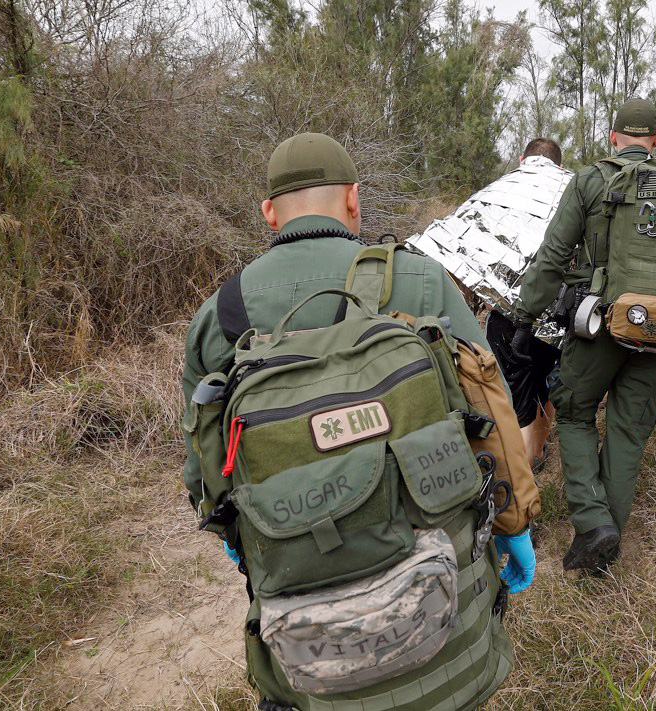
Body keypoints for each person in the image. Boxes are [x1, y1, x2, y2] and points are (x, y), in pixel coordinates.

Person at [181, 133, 535, 711]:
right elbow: (490, 412)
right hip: (437, 570)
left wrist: (239, 541)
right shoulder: (420, 280)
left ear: (270, 214)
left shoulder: (221, 315)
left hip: (299, 580)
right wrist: (515, 522)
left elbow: (203, 464)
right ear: (353, 201)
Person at [512, 99, 656, 574]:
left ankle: (592, 523)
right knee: (628, 430)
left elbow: (552, 257)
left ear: (613, 138)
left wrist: (526, 318)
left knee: (576, 412)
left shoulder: (590, 180)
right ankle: (606, 543)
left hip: (600, 322)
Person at [407, 137, 574, 469]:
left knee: (520, 397)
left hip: (510, 322)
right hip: (562, 316)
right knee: (545, 380)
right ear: (559, 163)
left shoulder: (505, 186)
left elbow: (458, 240)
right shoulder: (575, 188)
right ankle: (539, 446)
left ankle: (525, 471)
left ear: (523, 159)